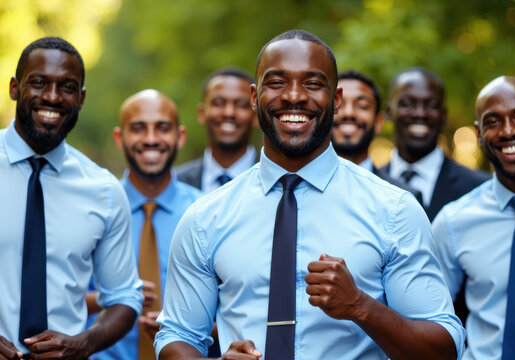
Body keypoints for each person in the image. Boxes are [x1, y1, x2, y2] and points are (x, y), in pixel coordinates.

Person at [155, 29, 464, 359]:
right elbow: (177, 335)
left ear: (337, 100)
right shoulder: (205, 218)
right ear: (254, 96)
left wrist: (362, 307)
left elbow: (443, 349)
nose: (293, 96)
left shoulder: (394, 210)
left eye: (313, 84)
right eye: (276, 82)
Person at [0, 37, 143, 359]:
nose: (52, 97)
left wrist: (85, 343)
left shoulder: (104, 190)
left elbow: (124, 297)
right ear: (14, 88)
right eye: (38, 83)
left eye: (66, 87)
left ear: (80, 98)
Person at [432, 76, 515, 359]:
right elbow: (429, 317)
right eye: (493, 121)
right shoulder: (453, 221)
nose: (509, 131)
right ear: (478, 133)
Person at [86, 90, 203, 360]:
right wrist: (120, 297)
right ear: (119, 137)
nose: (151, 139)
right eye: (139, 129)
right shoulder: (93, 208)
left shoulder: (206, 212)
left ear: (180, 136)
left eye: (162, 128)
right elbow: (61, 295)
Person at [381, 67, 489, 221]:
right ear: (389, 112)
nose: (420, 113)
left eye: (431, 105)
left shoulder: (480, 189)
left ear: (444, 115)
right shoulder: (366, 185)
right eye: (407, 104)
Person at [331, 69, 423, 203]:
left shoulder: (404, 199)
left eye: (362, 106)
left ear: (379, 122)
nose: (349, 113)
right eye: (338, 104)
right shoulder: (295, 189)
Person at [174, 68, 258, 192]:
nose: (229, 113)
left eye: (241, 105)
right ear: (201, 113)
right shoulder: (175, 183)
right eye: (218, 103)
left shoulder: (278, 182)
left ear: (256, 116)